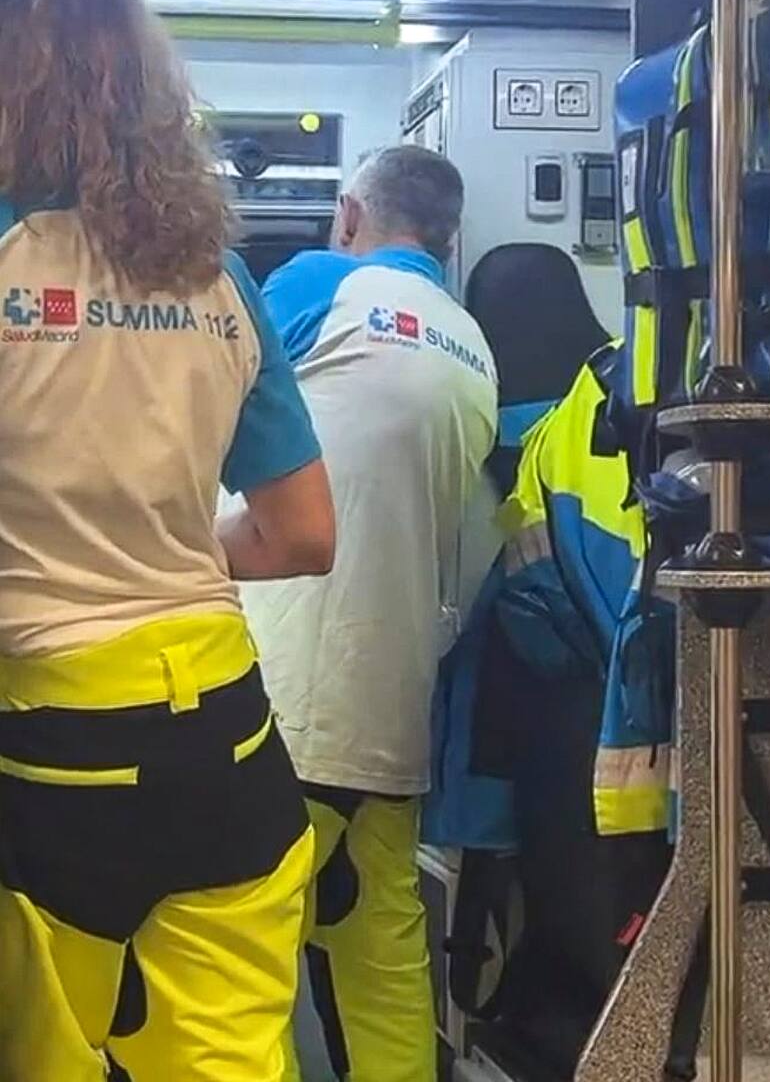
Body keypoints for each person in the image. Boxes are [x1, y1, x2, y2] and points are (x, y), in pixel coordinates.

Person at [0, 0, 337, 1082]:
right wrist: (182, 552)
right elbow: (301, 536)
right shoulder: (220, 281)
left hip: (45, 752)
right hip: (227, 743)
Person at [231, 145, 498, 1082]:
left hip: (284, 691)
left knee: (241, 954)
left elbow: (207, 400)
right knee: (380, 948)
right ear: (449, 236)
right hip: (393, 707)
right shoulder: (473, 345)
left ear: (349, 215)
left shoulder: (319, 283)